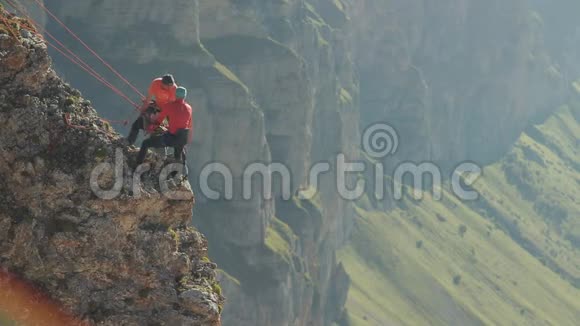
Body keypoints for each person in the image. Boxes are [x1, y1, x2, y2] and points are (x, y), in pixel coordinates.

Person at [135, 86, 193, 171]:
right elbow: (188, 124)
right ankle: (178, 173)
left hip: (170, 139)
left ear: (175, 95)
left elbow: (160, 121)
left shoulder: (169, 106)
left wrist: (152, 127)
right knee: (178, 155)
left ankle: (137, 165)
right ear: (184, 96)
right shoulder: (189, 108)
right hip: (182, 139)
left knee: (146, 143)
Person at [127, 74, 177, 145]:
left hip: (168, 115)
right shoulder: (155, 83)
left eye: (171, 85)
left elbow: (171, 110)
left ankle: (160, 154)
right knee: (137, 123)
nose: (170, 87)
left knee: (158, 134)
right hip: (156, 107)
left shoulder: (174, 89)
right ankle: (129, 141)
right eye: (168, 86)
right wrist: (142, 113)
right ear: (163, 84)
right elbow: (148, 100)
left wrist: (158, 121)